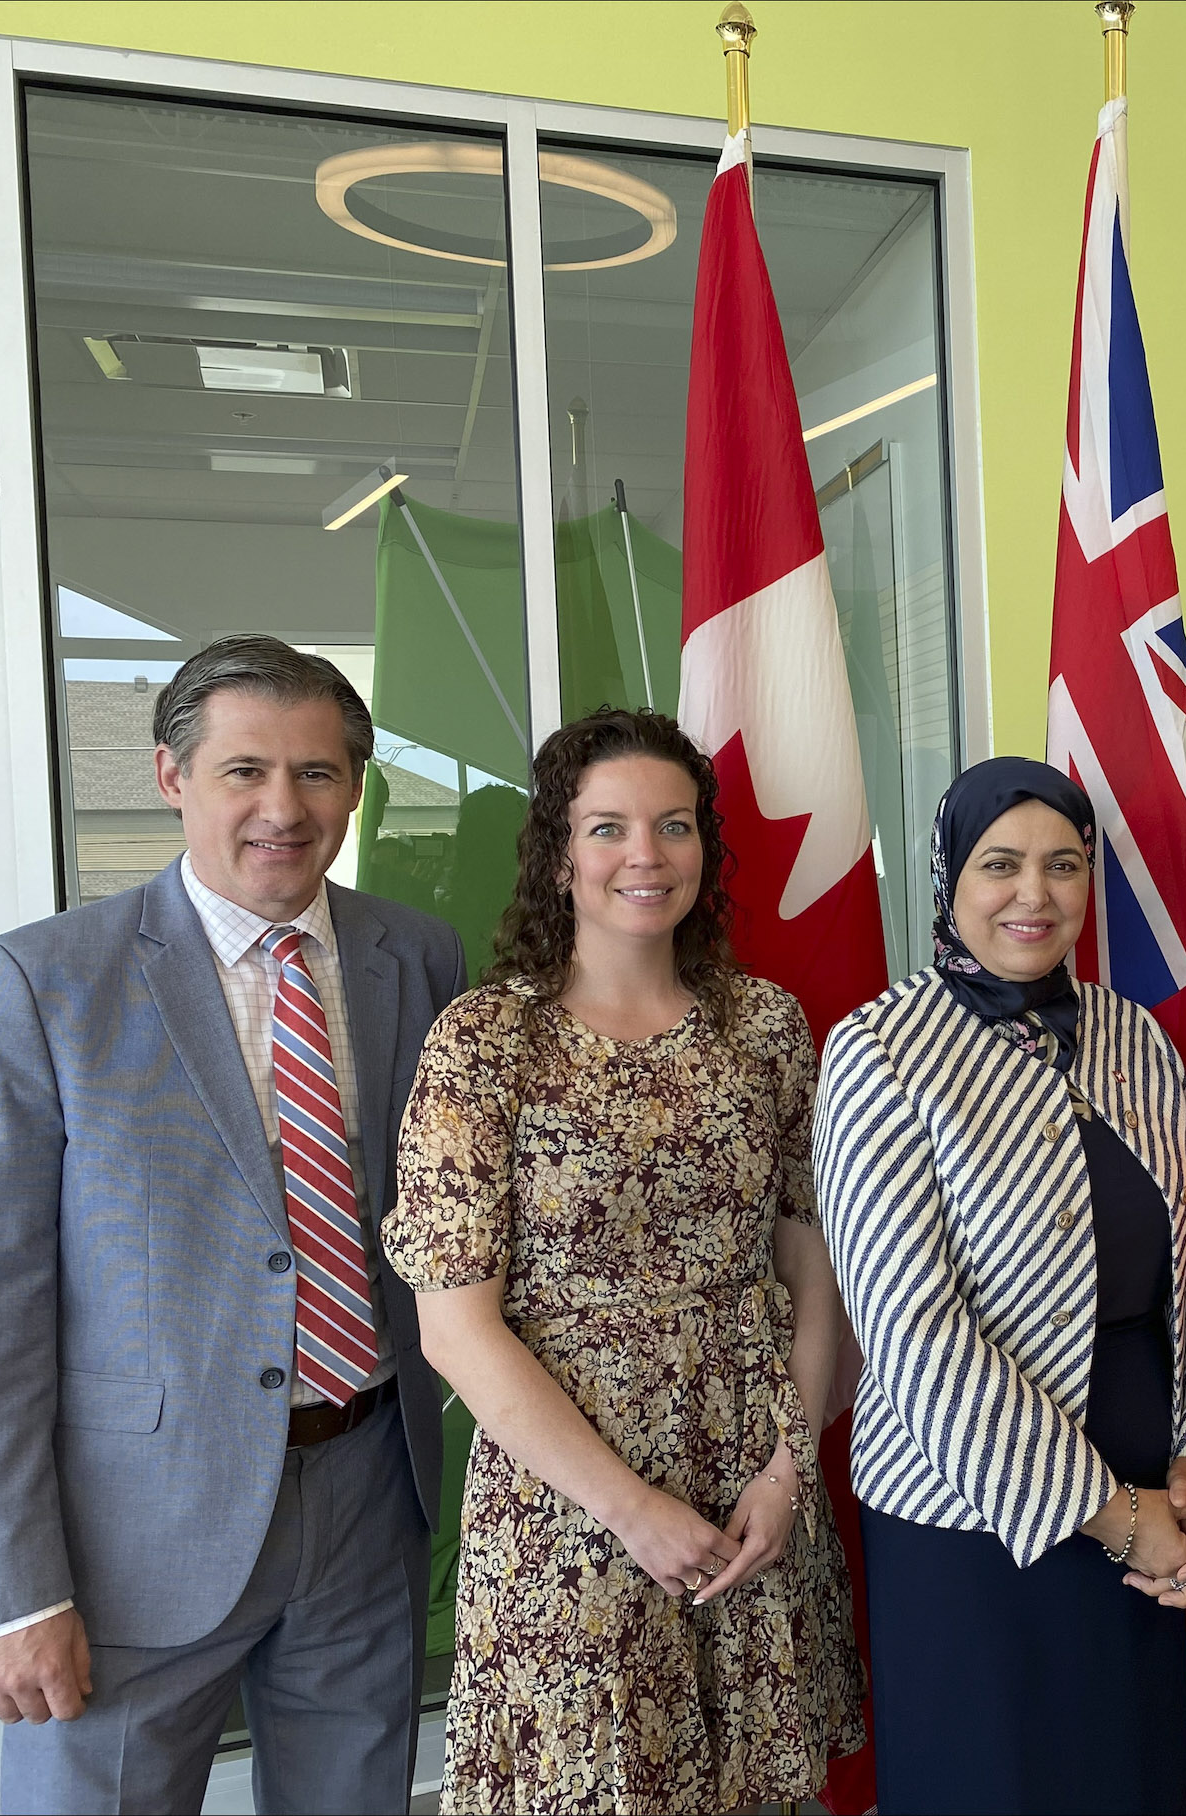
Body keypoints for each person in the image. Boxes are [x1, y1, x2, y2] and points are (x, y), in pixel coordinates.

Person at [0, 635, 465, 1813]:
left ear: (355, 785)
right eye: (244, 771)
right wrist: (11, 1593)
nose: (283, 808)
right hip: (127, 1544)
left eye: (318, 773)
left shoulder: (418, 957)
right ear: (172, 777)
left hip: (370, 1498)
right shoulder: (41, 982)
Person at [384, 707, 863, 1812]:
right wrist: (631, 1508)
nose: (644, 855)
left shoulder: (767, 1027)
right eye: (607, 829)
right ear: (557, 855)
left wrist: (788, 1470)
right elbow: (455, 1325)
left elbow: (808, 1261)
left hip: (755, 1488)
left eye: (674, 825)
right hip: (572, 1503)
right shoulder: (485, 1040)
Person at [814, 756, 1186, 1815]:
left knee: (1127, 1779)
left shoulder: (1135, 1038)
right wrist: (1112, 1515)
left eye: (1062, 864)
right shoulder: (878, 1048)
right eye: (999, 864)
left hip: (1153, 1491)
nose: (1033, 893)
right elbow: (910, 1329)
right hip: (968, 1520)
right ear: (949, 877)